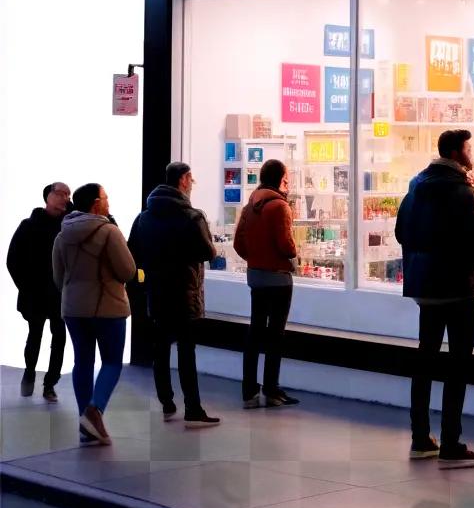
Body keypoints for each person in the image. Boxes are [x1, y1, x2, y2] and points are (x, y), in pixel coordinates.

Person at [395, 129, 474, 469]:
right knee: (458, 365)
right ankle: (452, 442)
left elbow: (400, 232)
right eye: (468, 148)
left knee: (425, 361)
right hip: (459, 289)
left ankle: (420, 438)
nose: (472, 152)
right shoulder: (464, 191)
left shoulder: (416, 186)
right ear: (456, 152)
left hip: (425, 288)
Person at [128, 162, 220, 428]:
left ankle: (167, 402)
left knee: (160, 349)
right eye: (191, 179)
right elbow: (207, 252)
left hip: (156, 290)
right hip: (185, 290)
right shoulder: (192, 216)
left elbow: (133, 251)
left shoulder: (144, 217)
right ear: (184, 180)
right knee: (186, 350)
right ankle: (192, 406)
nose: (192, 184)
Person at [52, 183, 136, 446]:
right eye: (105, 197)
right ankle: (94, 411)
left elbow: (58, 277)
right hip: (107, 307)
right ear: (95, 203)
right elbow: (128, 271)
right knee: (111, 362)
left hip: (73, 310)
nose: (108, 202)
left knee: (83, 362)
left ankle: (85, 423)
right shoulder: (109, 232)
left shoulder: (62, 235)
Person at [233, 159, 300, 409]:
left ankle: (249, 391)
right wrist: (293, 251)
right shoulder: (280, 207)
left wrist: (255, 258)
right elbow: (286, 244)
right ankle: (271, 389)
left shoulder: (250, 206)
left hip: (256, 276)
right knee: (276, 335)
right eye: (286, 177)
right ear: (279, 178)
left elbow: (238, 244)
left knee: (255, 332)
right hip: (278, 277)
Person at [7, 183, 71, 402]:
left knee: (59, 338)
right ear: (47, 196)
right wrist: (26, 287)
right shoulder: (28, 225)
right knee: (35, 336)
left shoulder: (69, 226)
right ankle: (29, 372)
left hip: (61, 295)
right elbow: (12, 260)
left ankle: (50, 384)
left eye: (68, 194)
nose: (65, 198)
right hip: (34, 294)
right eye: (60, 193)